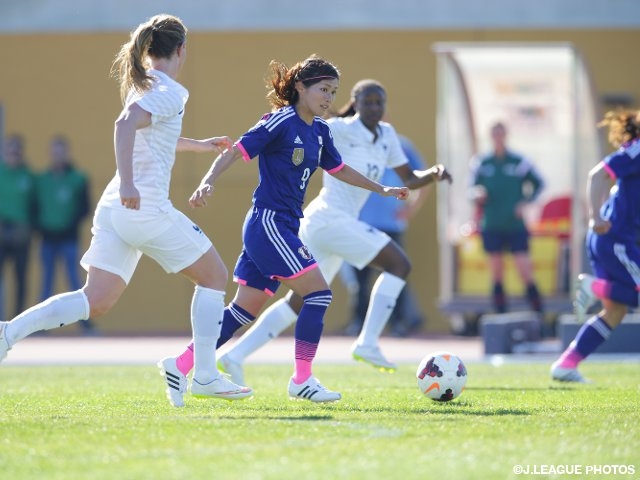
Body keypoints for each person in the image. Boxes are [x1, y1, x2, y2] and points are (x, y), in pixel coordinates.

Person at [0, 14, 251, 404]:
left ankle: (7, 333)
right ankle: (202, 375)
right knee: (215, 278)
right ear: (181, 49)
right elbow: (124, 125)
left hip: (117, 208)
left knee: (94, 299)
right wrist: (132, 182)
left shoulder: (145, 84)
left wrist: (199, 145)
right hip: (144, 206)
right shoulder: (170, 90)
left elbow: (151, 134)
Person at [159, 63, 411, 407]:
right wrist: (207, 181)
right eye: (323, 89)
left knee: (242, 312)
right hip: (269, 224)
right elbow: (236, 150)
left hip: (284, 226)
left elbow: (338, 169)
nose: (329, 98)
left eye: (334, 91)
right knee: (319, 294)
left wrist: (381, 188)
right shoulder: (279, 121)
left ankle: (181, 364)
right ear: (301, 88)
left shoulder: (321, 130)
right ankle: (302, 379)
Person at [203, 78, 450, 386]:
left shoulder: (387, 136)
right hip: (328, 218)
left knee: (300, 302)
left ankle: (234, 356)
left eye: (379, 102)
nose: (374, 107)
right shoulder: (339, 128)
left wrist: (434, 174)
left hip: (335, 226)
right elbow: (303, 130)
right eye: (368, 101)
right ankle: (367, 343)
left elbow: (409, 178)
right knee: (399, 264)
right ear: (355, 104)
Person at [551, 109, 640, 383]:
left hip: (614, 241)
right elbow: (598, 174)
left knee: (616, 310)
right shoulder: (637, 150)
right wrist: (595, 216)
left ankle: (566, 365)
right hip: (615, 240)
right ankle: (594, 286)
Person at [344, 134, 429, 337]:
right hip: (361, 223)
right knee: (359, 278)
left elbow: (421, 179)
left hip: (391, 224)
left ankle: (398, 322)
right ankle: (359, 324)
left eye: (378, 105)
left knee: (396, 273)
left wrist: (411, 209)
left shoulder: (402, 145)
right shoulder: (353, 140)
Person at [469, 121, 545, 315]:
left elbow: (538, 183)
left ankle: (539, 315)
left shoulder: (518, 161)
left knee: (524, 270)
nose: (498, 138)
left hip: (514, 224)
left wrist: (525, 202)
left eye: (501, 134)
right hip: (492, 223)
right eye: (495, 134)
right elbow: (471, 189)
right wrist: (477, 194)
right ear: (491, 137)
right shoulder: (482, 163)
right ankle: (500, 316)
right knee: (496, 272)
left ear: (506, 135)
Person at [35, 135, 97, 335]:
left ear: (66, 153)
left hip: (69, 239)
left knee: (75, 283)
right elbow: (34, 208)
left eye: (61, 151)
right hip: (48, 240)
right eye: (55, 152)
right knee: (47, 283)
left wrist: (68, 225)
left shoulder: (78, 178)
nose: (58, 156)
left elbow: (85, 208)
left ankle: (85, 326)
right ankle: (40, 327)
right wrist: (44, 227)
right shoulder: (42, 180)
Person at [0, 134, 36, 319]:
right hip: (1, 232)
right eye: (10, 151)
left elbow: (36, 205)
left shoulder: (29, 176)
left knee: (20, 279)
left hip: (21, 234)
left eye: (16, 151)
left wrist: (30, 228)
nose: (13, 154)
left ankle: (18, 320)